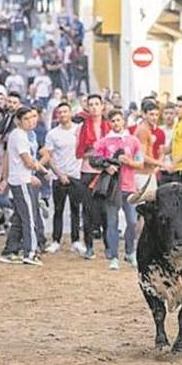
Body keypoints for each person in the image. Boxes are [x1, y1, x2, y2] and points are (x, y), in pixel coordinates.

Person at [93, 109, 143, 270]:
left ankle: (130, 251)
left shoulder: (133, 140)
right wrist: (107, 166)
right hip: (112, 188)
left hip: (129, 187)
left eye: (118, 120)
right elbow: (94, 160)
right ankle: (114, 256)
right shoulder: (104, 142)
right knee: (112, 223)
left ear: (124, 121)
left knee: (133, 222)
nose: (116, 123)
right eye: (113, 121)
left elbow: (140, 163)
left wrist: (127, 161)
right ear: (109, 123)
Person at [0, 106, 46, 266]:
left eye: (33, 117)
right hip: (21, 181)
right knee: (29, 217)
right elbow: (27, 161)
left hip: (21, 179)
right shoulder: (19, 135)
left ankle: (9, 251)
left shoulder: (23, 135)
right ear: (18, 121)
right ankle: (30, 253)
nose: (31, 121)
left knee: (19, 217)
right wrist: (39, 167)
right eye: (26, 118)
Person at [43, 102, 84, 254]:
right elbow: (49, 156)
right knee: (58, 210)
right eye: (60, 113)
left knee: (75, 209)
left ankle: (75, 240)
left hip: (76, 175)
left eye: (65, 112)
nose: (62, 115)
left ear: (70, 113)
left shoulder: (79, 130)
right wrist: (59, 174)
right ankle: (55, 240)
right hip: (58, 177)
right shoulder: (52, 134)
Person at [75, 94, 110, 259]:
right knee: (88, 210)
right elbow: (79, 153)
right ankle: (89, 246)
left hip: (105, 172)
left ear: (102, 106)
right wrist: (94, 151)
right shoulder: (82, 128)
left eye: (97, 104)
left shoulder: (109, 127)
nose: (95, 107)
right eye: (91, 104)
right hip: (88, 171)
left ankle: (109, 246)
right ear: (87, 108)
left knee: (105, 211)